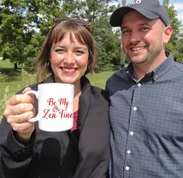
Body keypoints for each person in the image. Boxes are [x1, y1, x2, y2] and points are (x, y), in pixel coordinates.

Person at [0, 18, 110, 178]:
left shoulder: (103, 101)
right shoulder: (27, 99)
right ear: (49, 56)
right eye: (60, 50)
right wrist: (21, 137)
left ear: (89, 58)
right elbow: (6, 167)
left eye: (79, 51)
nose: (69, 60)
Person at [106, 0, 183, 177]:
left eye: (144, 28)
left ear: (167, 33)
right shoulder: (113, 84)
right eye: (126, 31)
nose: (133, 38)